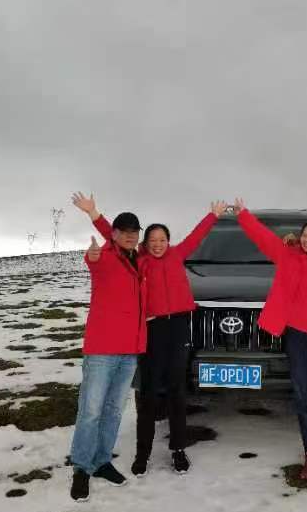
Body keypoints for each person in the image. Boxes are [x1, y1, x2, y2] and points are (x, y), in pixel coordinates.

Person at [72, 192, 228, 477]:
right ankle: (142, 453)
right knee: (149, 393)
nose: (157, 245)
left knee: (177, 391)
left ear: (169, 241)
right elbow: (116, 237)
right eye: (152, 240)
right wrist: (93, 214)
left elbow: (197, 236)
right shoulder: (140, 258)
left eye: (162, 240)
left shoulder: (178, 254)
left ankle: (178, 450)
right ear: (145, 243)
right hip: (152, 329)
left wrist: (213, 215)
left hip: (178, 327)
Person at [233, 198, 307, 480]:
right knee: (304, 396)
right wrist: (243, 215)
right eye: (303, 235)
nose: (305, 240)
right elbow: (263, 238)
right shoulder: (288, 256)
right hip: (296, 337)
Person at [69, 208, 146, 503]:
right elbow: (94, 260)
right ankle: (81, 467)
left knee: (114, 410)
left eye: (134, 232)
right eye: (124, 231)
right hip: (102, 349)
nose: (130, 236)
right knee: (91, 410)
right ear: (113, 234)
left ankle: (101, 461)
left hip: (129, 351)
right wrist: (94, 218)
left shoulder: (139, 259)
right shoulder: (104, 257)